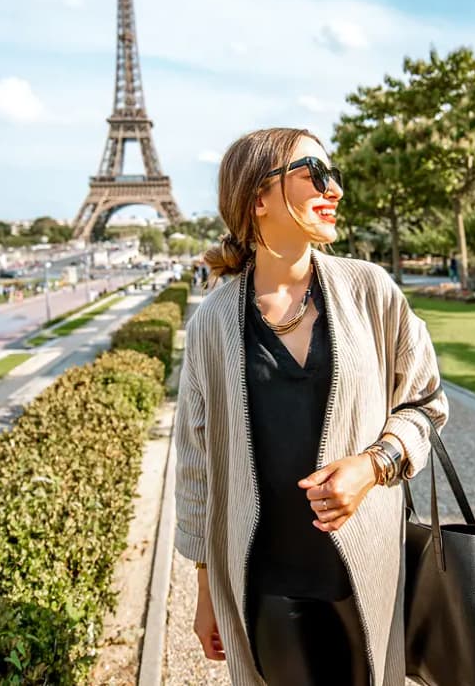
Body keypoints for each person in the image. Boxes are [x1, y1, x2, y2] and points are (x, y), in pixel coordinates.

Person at [173, 127, 449, 686]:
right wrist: (206, 592)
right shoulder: (212, 322)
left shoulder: (371, 290)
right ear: (258, 198)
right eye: (313, 174)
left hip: (370, 570)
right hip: (267, 585)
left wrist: (375, 466)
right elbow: (197, 466)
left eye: (334, 175)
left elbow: (426, 401)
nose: (334, 189)